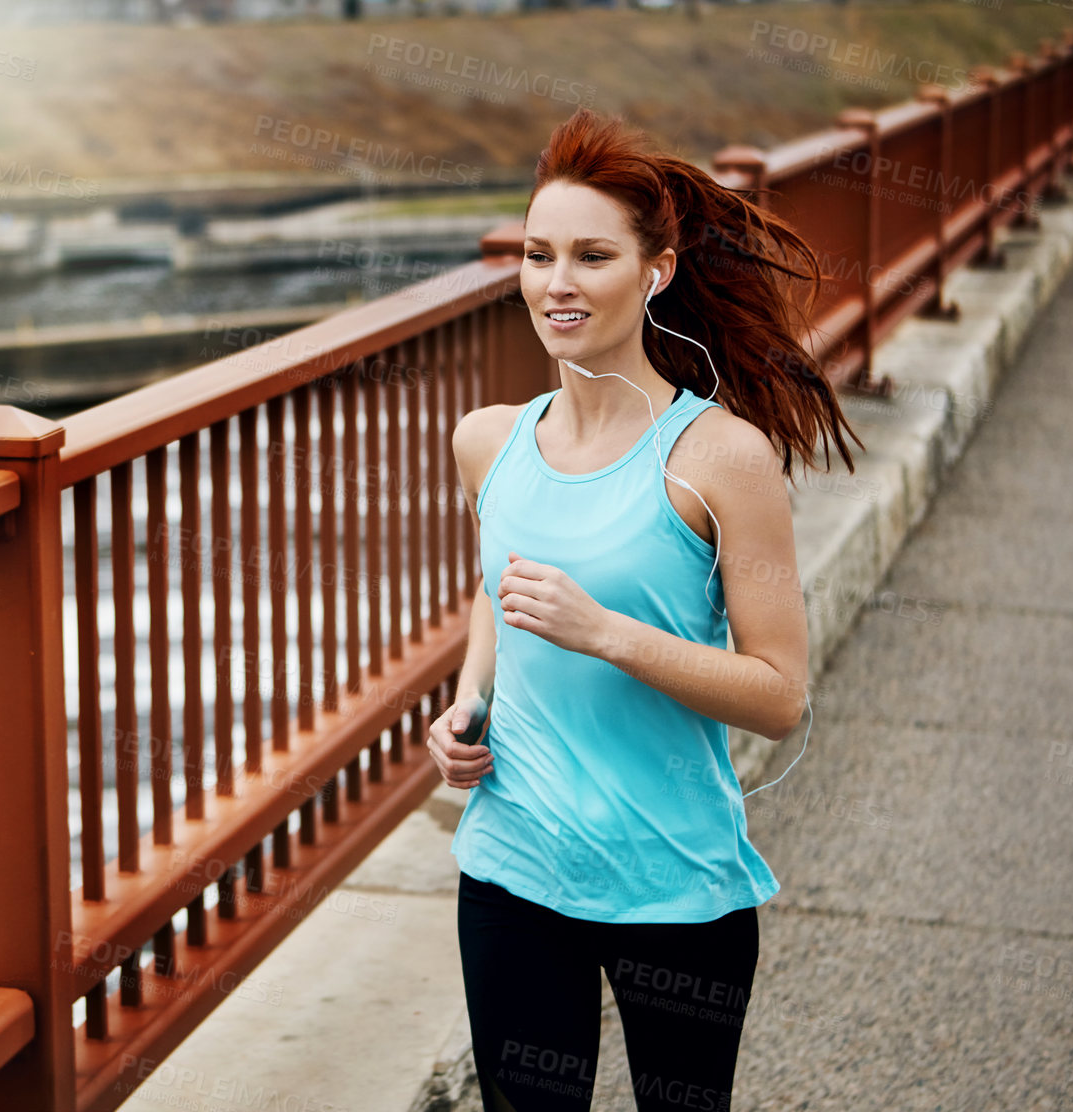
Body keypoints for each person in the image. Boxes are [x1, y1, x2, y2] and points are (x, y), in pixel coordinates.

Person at [426, 108, 865, 1112]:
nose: (556, 282)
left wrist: (607, 633)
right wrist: (467, 708)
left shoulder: (719, 458)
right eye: (539, 255)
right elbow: (500, 593)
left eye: (591, 256)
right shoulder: (488, 441)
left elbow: (778, 694)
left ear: (656, 270)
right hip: (512, 867)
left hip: (674, 882)